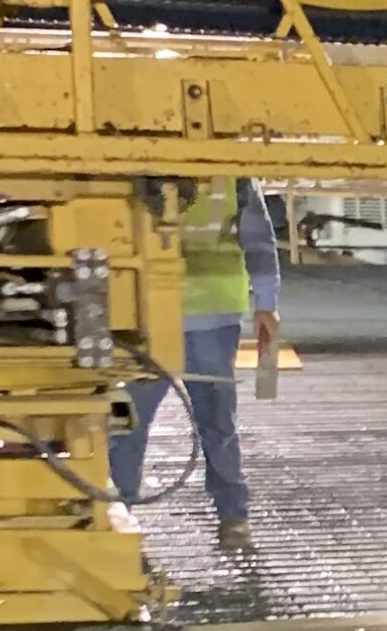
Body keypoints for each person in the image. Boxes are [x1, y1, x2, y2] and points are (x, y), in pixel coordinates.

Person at [112, 184, 282, 559]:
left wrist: (267, 303)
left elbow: (258, 241)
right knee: (209, 423)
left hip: (167, 313)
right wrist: (266, 302)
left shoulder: (138, 167)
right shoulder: (232, 174)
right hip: (168, 313)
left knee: (132, 424)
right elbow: (260, 240)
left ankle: (119, 512)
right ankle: (231, 516)